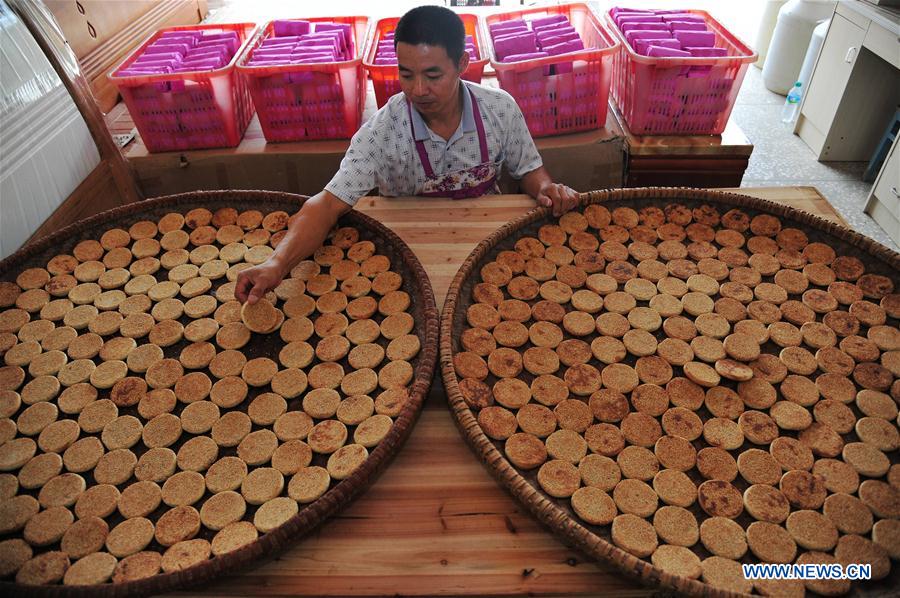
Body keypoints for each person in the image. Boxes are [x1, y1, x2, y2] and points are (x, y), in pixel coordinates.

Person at [236, 5, 579, 305]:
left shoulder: (499, 109)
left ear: (462, 63)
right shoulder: (383, 131)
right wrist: (276, 264)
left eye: (433, 75)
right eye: (406, 73)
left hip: (486, 247)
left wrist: (546, 188)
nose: (418, 90)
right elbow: (326, 205)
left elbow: (530, 171)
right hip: (407, 258)